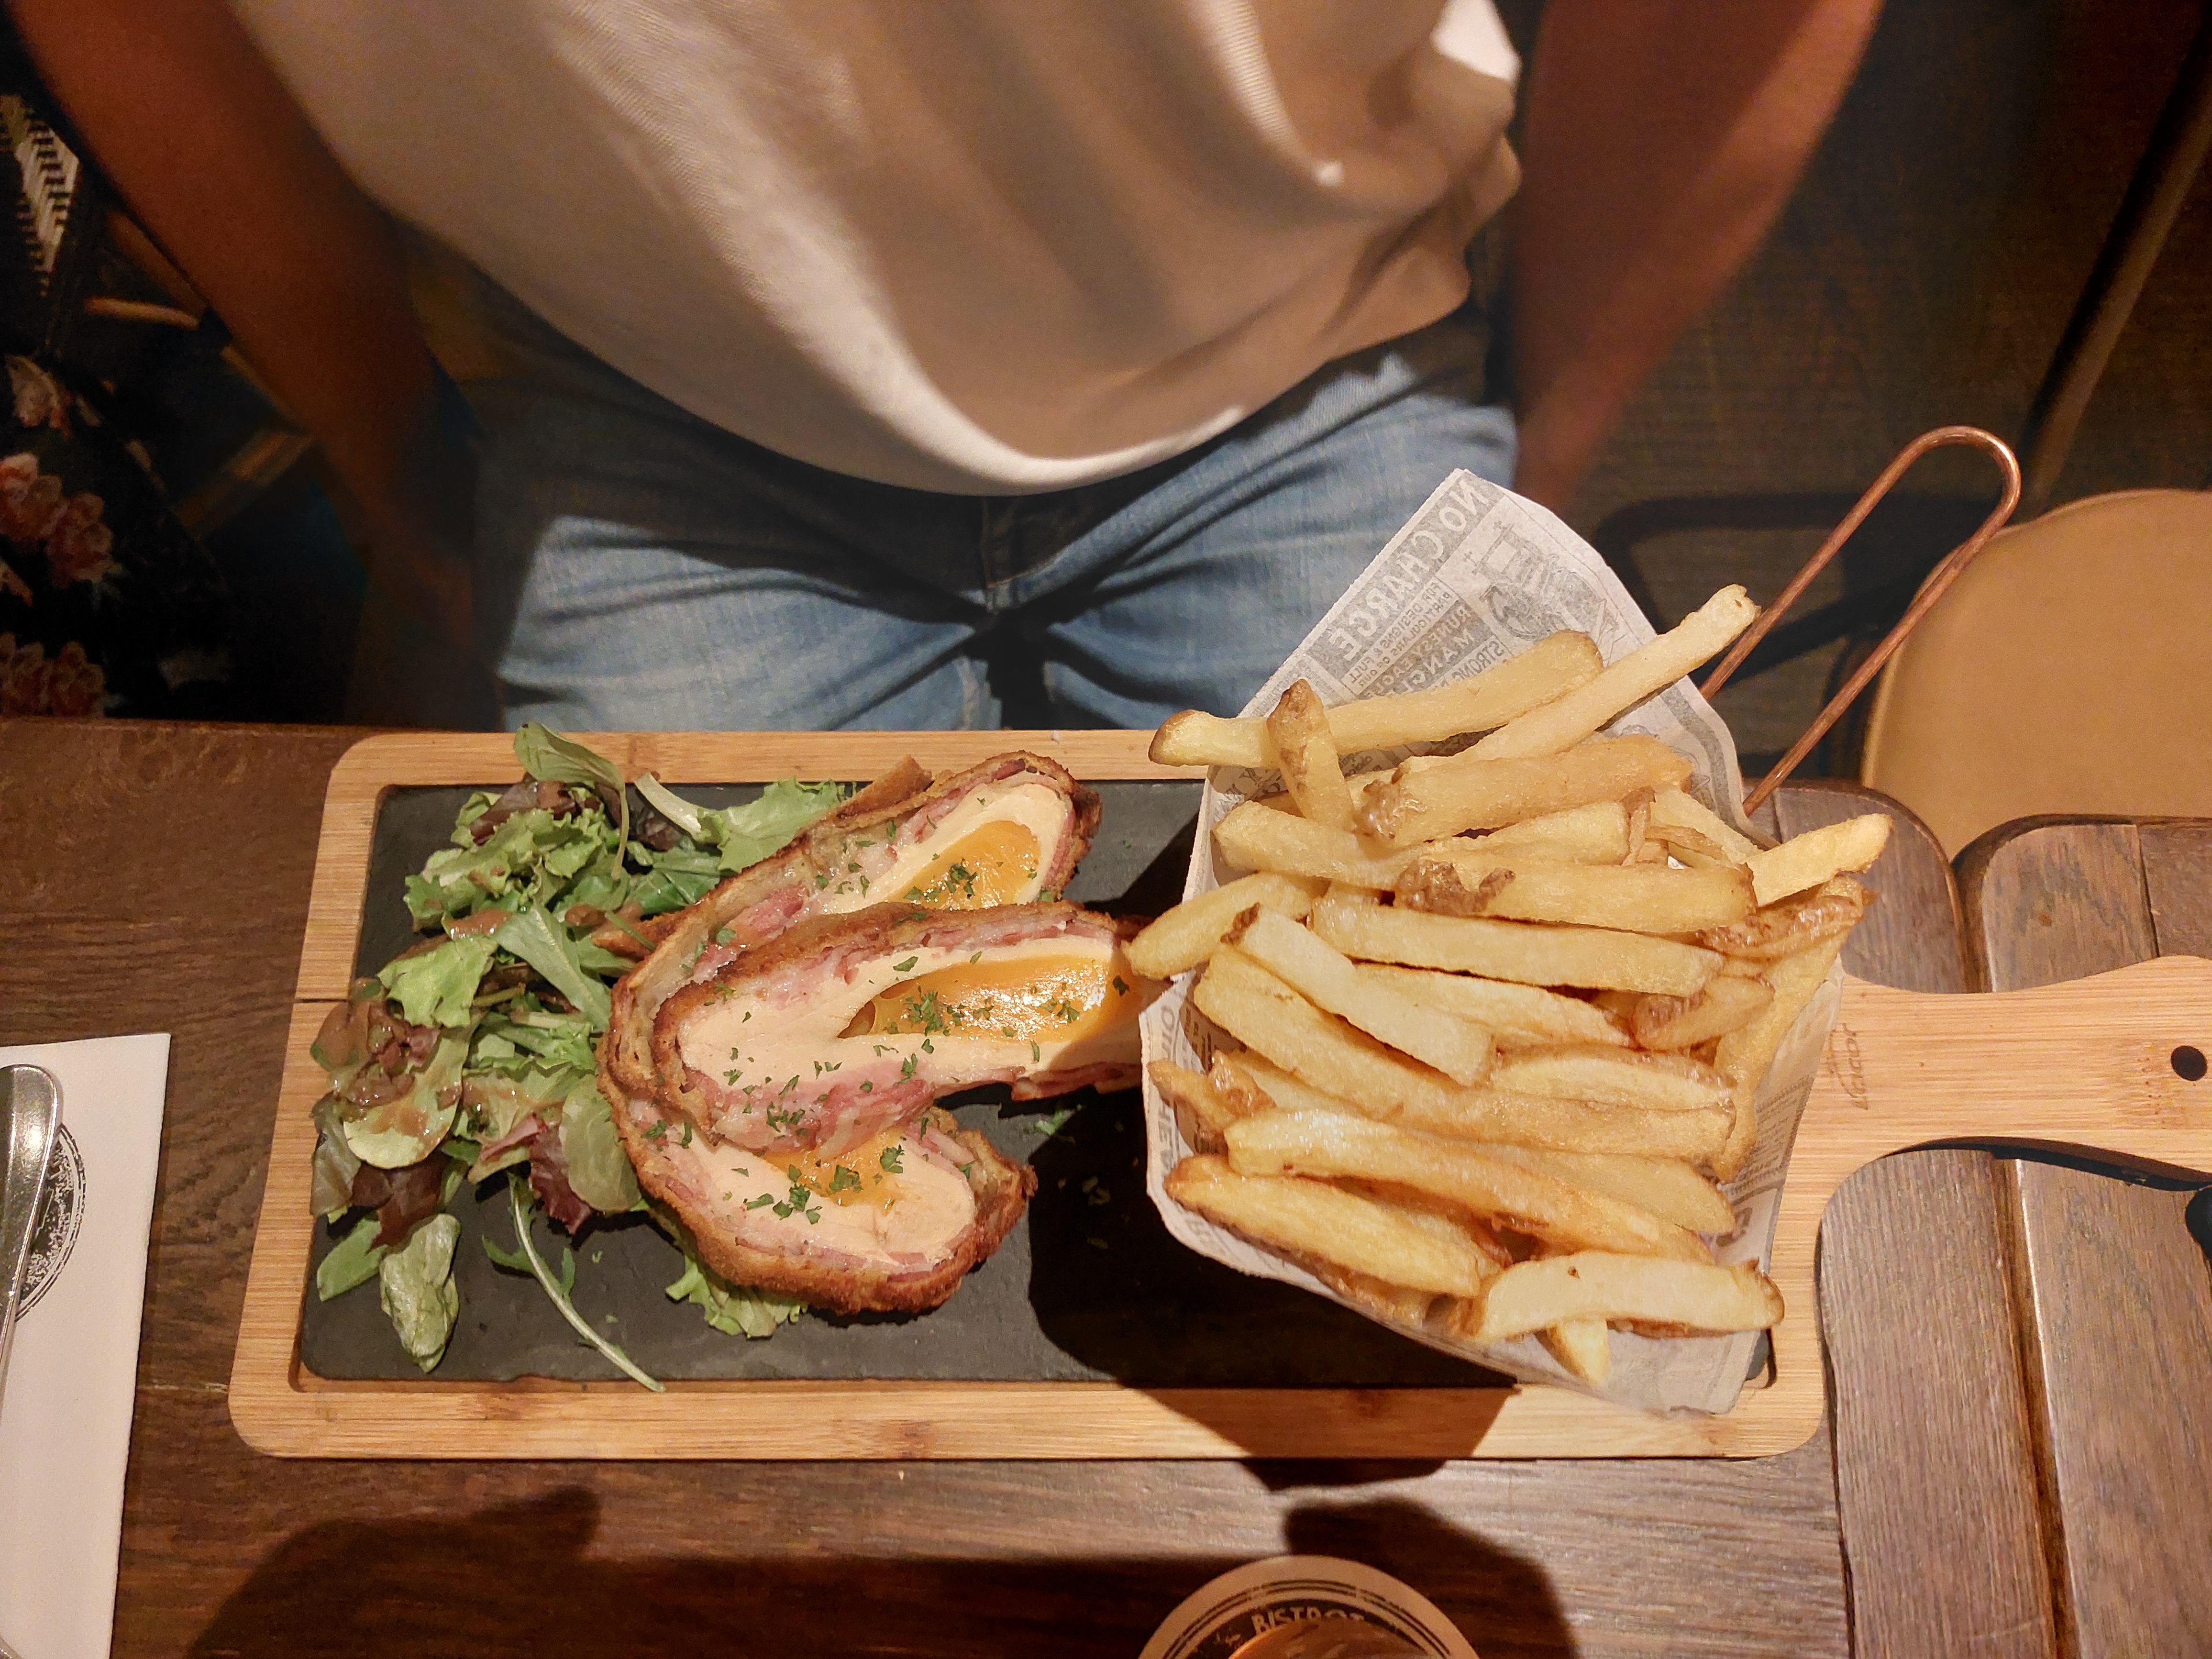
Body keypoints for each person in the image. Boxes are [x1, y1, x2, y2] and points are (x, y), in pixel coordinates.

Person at [12, 0, 1882, 731]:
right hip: (645, 384)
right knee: (660, 1262)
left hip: (1315, 333)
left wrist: (1547, 430)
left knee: (1472, 1131)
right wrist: (392, 453)